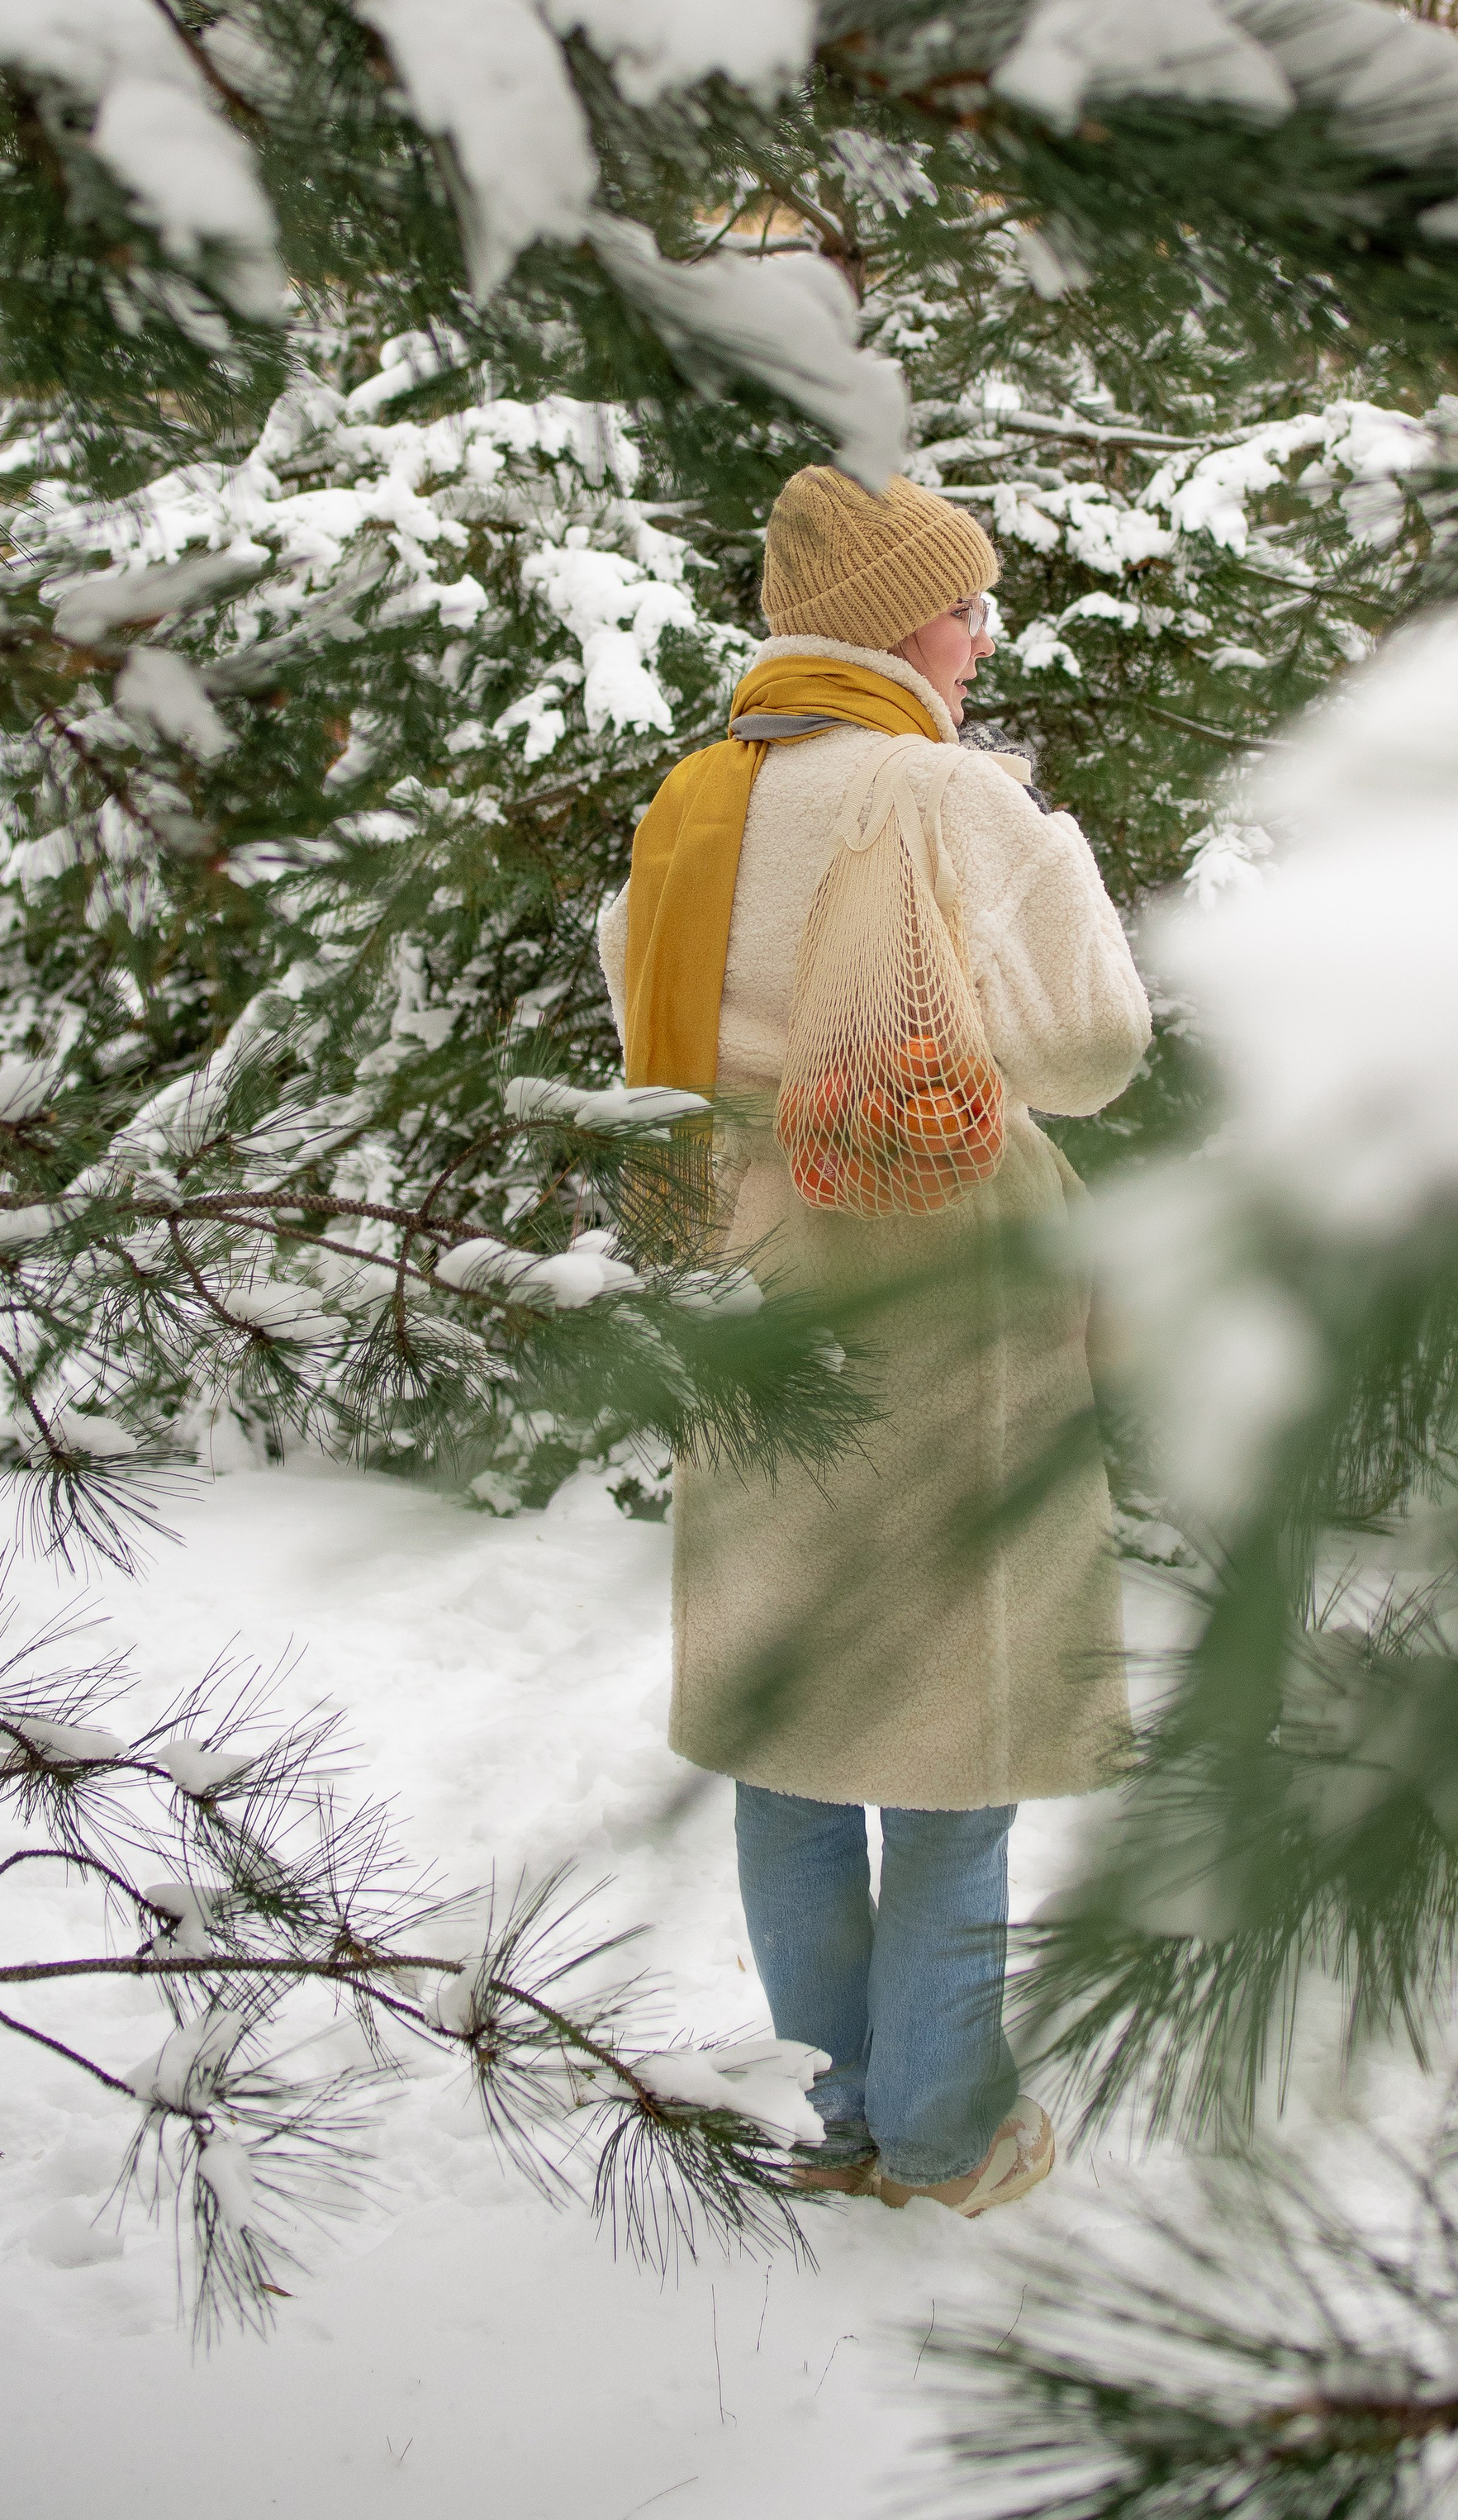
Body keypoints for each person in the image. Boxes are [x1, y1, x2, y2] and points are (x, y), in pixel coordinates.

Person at [596, 467, 1152, 2215]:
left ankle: (839, 2106)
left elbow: (644, 1023)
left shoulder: (687, 809)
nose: (982, 638)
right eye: (963, 604)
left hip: (744, 1271)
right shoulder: (939, 795)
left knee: (793, 1708)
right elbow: (1087, 1049)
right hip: (933, 1277)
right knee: (952, 1710)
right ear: (888, 621)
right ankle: (941, 2132)